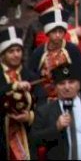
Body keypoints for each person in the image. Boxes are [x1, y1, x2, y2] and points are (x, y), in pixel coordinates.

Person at [0, 26, 45, 160]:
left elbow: (42, 103)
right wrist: (13, 86)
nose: (16, 55)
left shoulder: (30, 76)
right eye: (11, 51)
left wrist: (30, 117)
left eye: (18, 50)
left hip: (27, 136)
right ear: (3, 55)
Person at [29, 8, 81, 100]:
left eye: (60, 32)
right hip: (47, 101)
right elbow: (32, 79)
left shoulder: (73, 50)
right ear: (48, 33)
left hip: (71, 96)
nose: (58, 35)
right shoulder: (38, 53)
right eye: (54, 32)